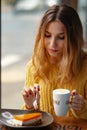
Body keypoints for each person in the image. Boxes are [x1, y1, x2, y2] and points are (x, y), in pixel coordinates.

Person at [21, 4, 87, 119]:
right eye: (47, 35)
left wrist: (83, 107)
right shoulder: (34, 66)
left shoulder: (85, 65)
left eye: (61, 37)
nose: (52, 44)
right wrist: (29, 106)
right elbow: (29, 119)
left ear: (73, 38)